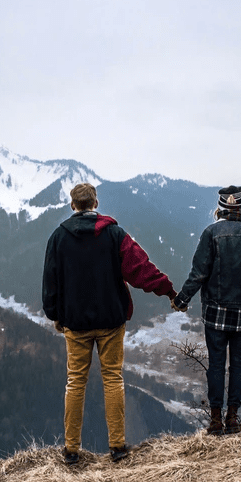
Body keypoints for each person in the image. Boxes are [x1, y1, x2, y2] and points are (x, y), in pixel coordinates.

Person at [42, 182, 177, 465]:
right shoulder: (114, 234)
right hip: (111, 320)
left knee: (75, 381)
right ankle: (117, 447)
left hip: (75, 323)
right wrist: (168, 290)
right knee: (112, 378)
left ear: (72, 205)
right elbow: (141, 269)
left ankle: (71, 450)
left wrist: (55, 315)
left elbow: (50, 281)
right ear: (95, 203)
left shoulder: (58, 237)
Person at [172, 186, 241, 436]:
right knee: (239, 365)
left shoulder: (211, 233)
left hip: (216, 311)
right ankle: (233, 417)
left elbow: (199, 273)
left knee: (216, 365)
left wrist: (181, 299)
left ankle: (215, 420)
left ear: (221, 208)